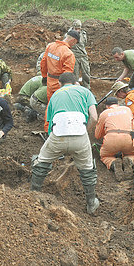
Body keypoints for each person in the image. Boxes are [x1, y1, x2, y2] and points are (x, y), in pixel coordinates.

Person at [30, 72, 99, 215]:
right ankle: (91, 203)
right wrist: (86, 130)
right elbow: (94, 117)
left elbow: (50, 123)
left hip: (58, 136)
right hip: (80, 135)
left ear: (60, 84)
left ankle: (33, 196)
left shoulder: (55, 95)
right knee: (87, 168)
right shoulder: (85, 91)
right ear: (75, 83)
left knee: (41, 161)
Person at [94, 97, 134, 181]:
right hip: (128, 138)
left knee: (105, 156)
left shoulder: (105, 113)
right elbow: (133, 127)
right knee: (132, 153)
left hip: (111, 140)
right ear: (117, 104)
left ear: (107, 106)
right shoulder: (127, 109)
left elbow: (97, 135)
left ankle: (113, 163)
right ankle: (129, 160)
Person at [40, 29, 80, 103]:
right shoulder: (68, 54)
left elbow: (43, 63)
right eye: (75, 43)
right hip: (60, 85)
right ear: (73, 40)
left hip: (49, 82)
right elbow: (67, 74)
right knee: (59, 105)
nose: (74, 45)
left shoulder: (51, 46)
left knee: (50, 105)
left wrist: (44, 76)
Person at [70, 19, 91, 89]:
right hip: (74, 56)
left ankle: (87, 89)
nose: (78, 30)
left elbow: (83, 43)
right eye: (76, 28)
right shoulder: (69, 34)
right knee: (75, 75)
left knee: (86, 73)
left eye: (79, 28)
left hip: (83, 56)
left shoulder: (83, 33)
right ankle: (75, 89)